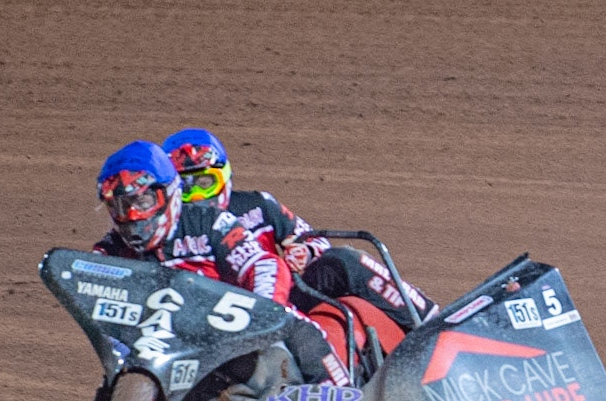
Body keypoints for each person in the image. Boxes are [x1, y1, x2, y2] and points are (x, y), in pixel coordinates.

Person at [92, 140, 340, 385]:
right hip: (157, 340)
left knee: (301, 329)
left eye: (142, 202)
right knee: (111, 382)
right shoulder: (110, 249)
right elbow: (87, 289)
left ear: (167, 193)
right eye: (120, 207)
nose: (132, 215)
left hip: (230, 324)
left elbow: (264, 264)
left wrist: (264, 310)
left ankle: (342, 400)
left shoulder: (213, 222)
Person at [162, 128, 437, 331]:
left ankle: (429, 319)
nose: (196, 196)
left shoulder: (258, 206)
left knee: (343, 261)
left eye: (205, 183)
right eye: (185, 188)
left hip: (278, 306)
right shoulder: (159, 232)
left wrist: (304, 250)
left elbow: (312, 239)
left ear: (225, 178)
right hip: (204, 323)